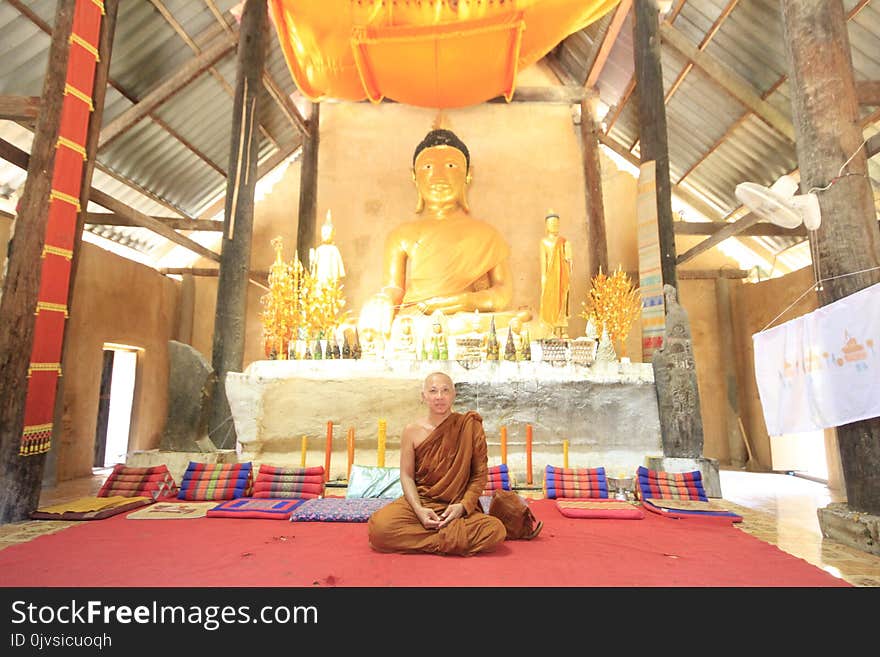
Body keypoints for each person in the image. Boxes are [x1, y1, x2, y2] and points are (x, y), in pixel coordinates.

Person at [359, 129, 526, 338]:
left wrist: (466, 301)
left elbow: (502, 292)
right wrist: (383, 299)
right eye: (427, 167)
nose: (438, 176)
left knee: (518, 324)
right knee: (392, 326)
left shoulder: (487, 234)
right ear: (414, 176)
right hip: (418, 320)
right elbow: (394, 288)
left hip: (467, 321)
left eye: (450, 166)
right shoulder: (401, 235)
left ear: (468, 174)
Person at [368, 371, 539, 556]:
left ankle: (435, 538)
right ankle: (449, 540)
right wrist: (418, 509)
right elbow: (407, 476)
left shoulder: (469, 426)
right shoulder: (412, 431)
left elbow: (479, 475)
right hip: (423, 501)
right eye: (433, 391)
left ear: (454, 394)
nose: (439, 397)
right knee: (379, 528)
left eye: (445, 390)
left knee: (495, 529)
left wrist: (463, 506)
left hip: (457, 505)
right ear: (423, 396)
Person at [539, 210, 572, 337]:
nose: (554, 226)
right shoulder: (544, 242)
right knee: (551, 302)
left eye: (556, 223)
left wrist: (569, 252)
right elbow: (544, 263)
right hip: (550, 278)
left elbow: (569, 261)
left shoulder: (564, 242)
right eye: (552, 223)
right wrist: (543, 280)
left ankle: (563, 330)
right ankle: (552, 329)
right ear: (546, 226)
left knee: (563, 301)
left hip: (563, 276)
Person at [310, 209, 346, 287]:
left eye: (327, 234)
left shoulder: (334, 249)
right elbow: (315, 265)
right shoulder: (319, 249)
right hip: (320, 276)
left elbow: (338, 263)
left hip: (331, 275)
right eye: (324, 234)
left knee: (330, 286)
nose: (325, 236)